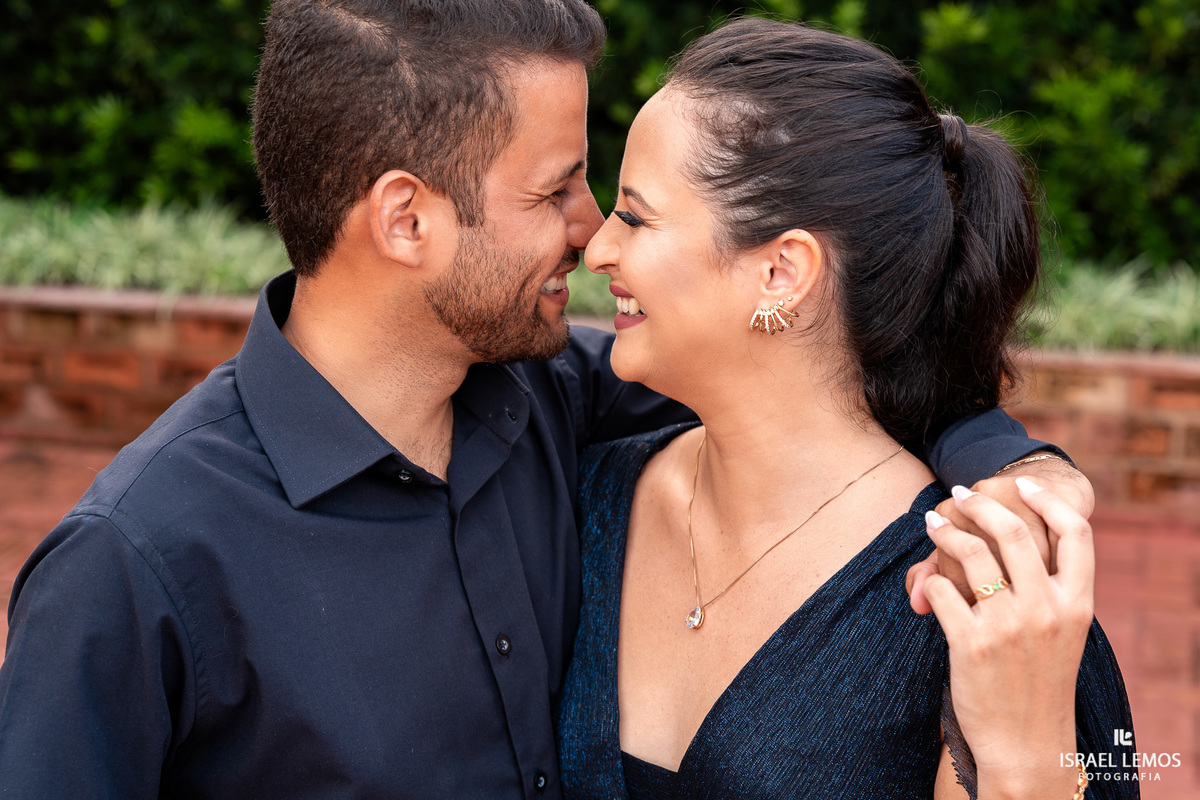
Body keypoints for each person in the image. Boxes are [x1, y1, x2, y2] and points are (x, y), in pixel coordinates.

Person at [0, 3, 1093, 798]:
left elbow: (806, 388)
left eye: (615, 199)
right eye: (559, 187)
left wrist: (1011, 463)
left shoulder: (554, 407)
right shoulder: (135, 562)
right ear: (407, 220)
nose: (590, 232)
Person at [557, 18, 1134, 800]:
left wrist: (1023, 760)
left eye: (636, 215)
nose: (597, 248)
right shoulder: (584, 497)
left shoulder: (978, 593)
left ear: (781, 271)